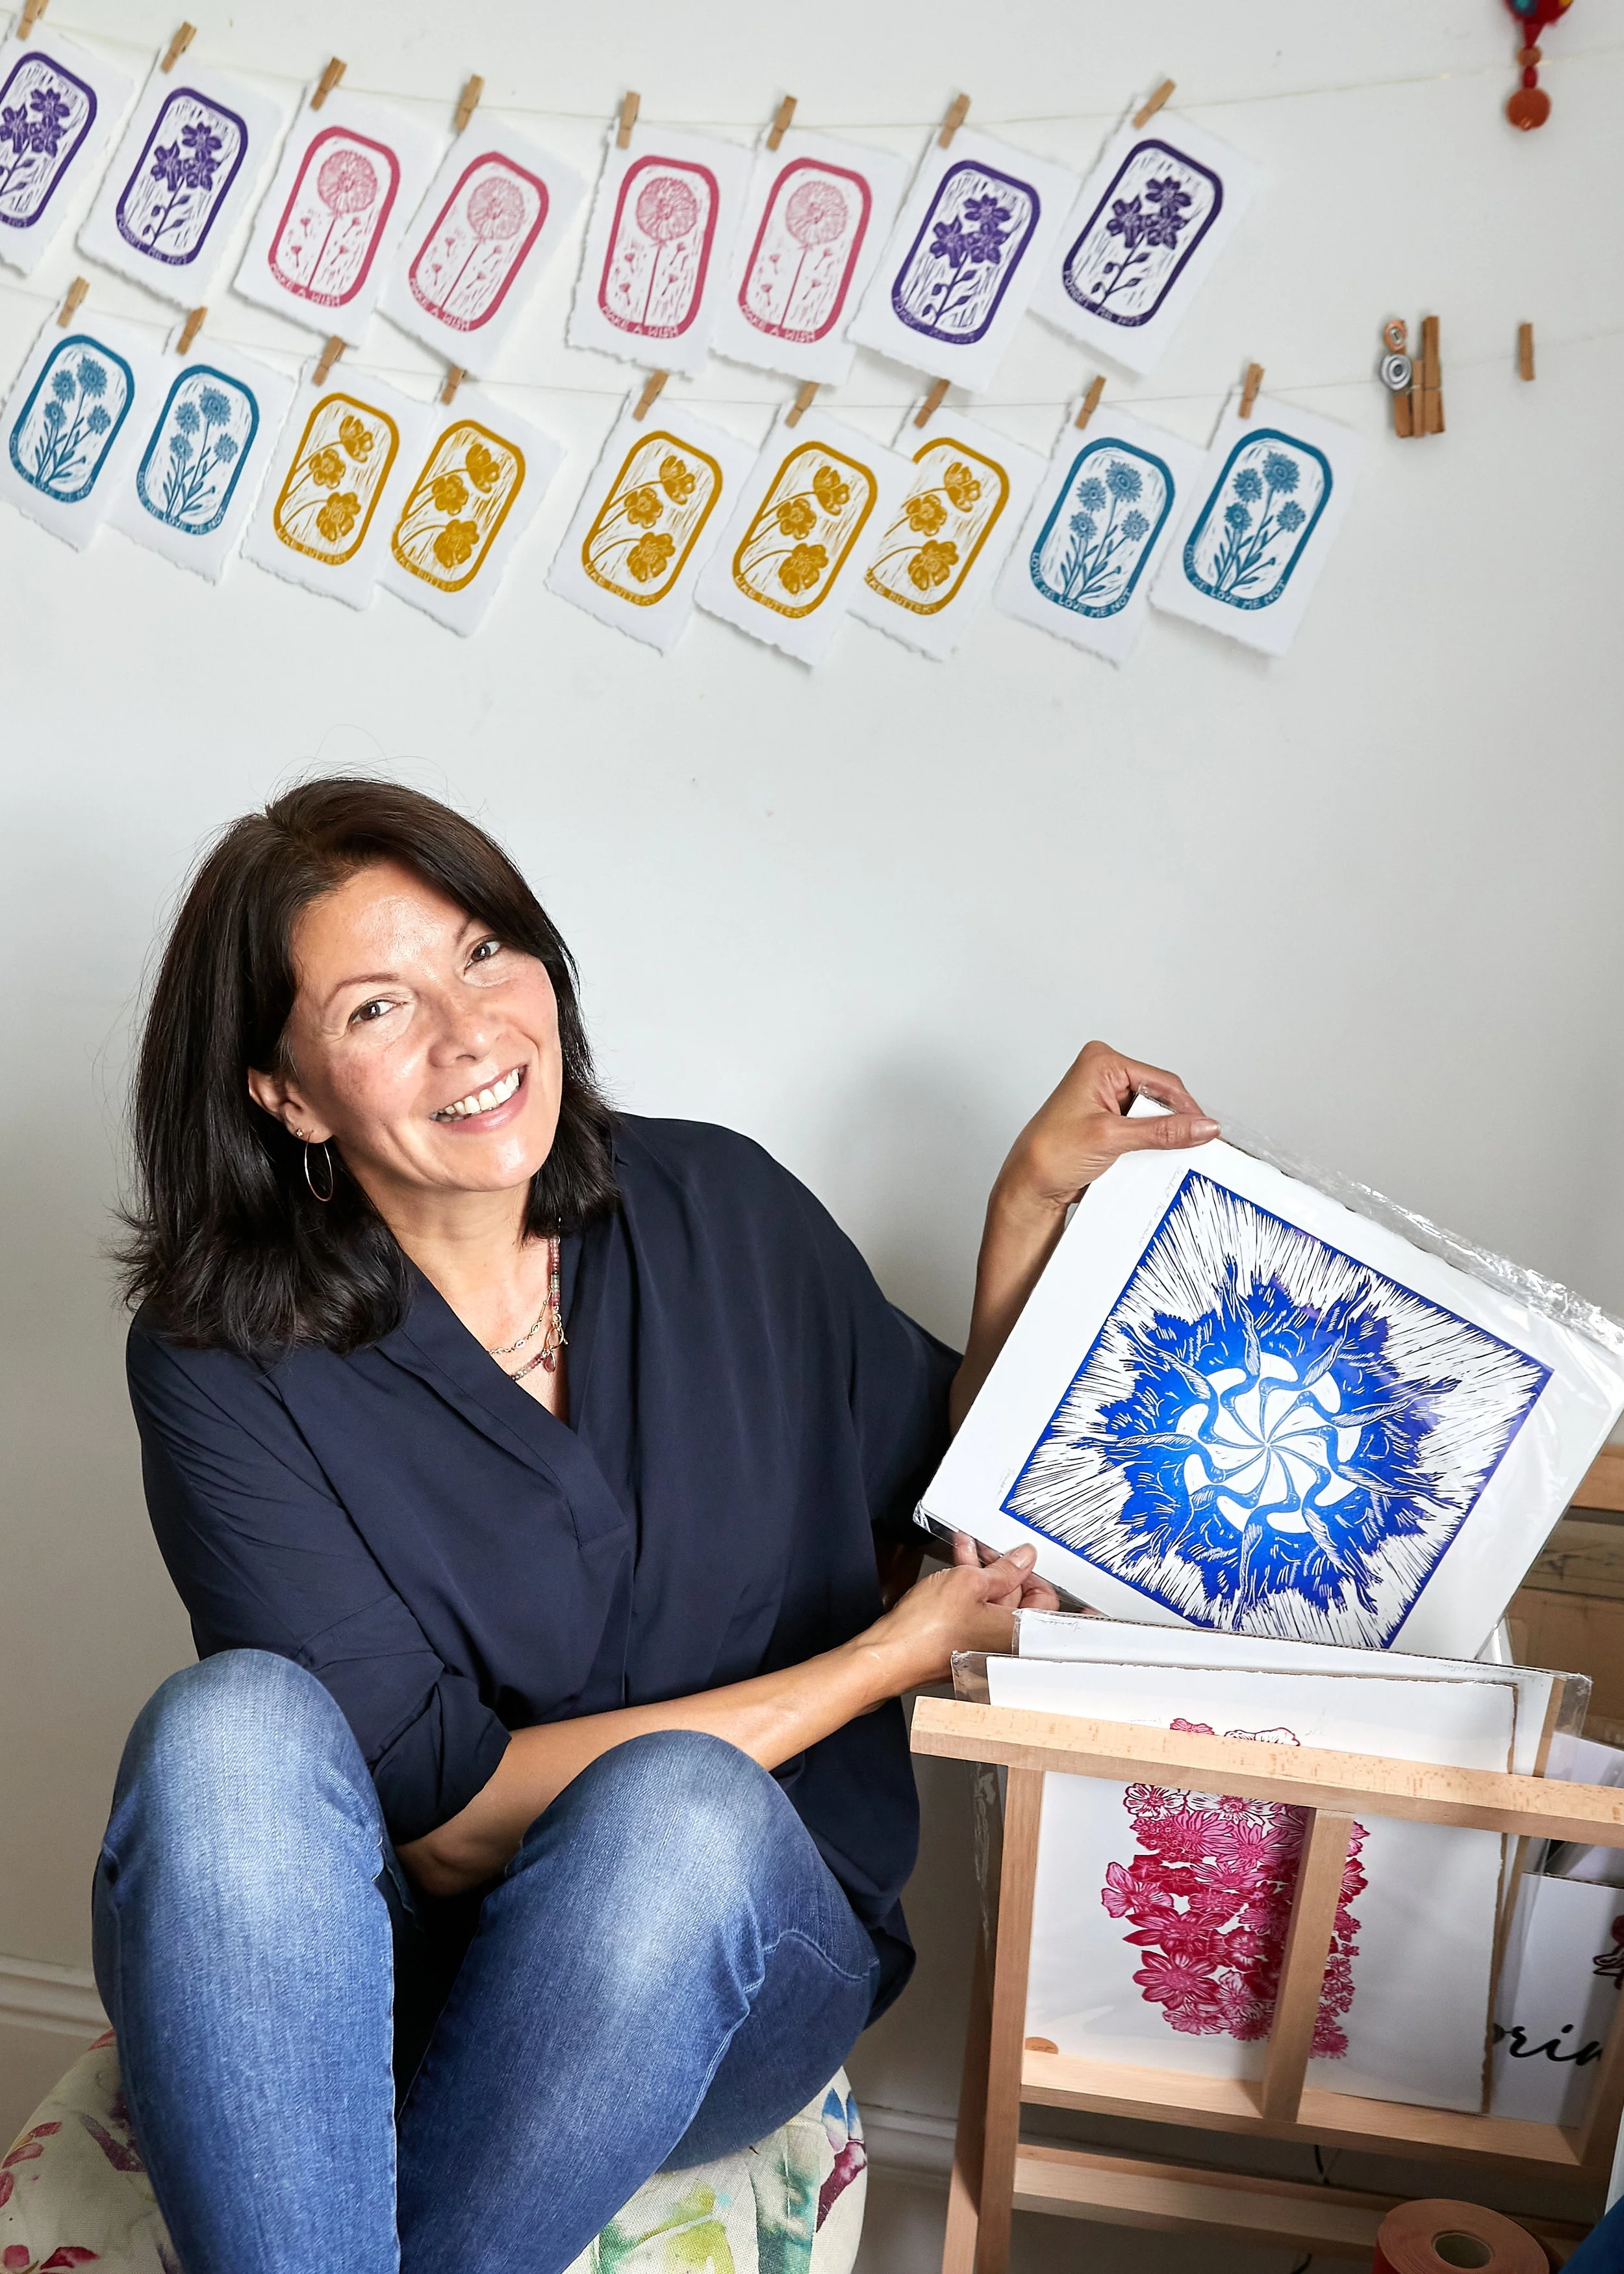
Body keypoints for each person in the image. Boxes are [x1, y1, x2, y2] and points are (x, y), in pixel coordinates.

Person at [101, 777, 1217, 2274]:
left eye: (484, 952)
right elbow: (443, 1830)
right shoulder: (217, 1358)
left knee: (675, 1821)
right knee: (223, 1726)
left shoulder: (722, 1209)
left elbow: (957, 1486)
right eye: (377, 1008)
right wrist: (881, 1664)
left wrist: (1020, 1209)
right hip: (384, 1972)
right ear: (286, 1094)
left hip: (720, 1956)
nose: (469, 1030)